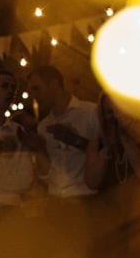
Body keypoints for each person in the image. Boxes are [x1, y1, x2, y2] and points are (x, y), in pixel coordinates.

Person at [23, 65, 100, 199]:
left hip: (87, 198)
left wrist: (75, 140)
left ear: (54, 84)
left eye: (36, 89)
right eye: (31, 91)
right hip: (56, 201)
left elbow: (106, 153)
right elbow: (48, 173)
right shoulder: (43, 126)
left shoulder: (91, 112)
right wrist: (38, 150)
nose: (34, 96)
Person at [0, 70, 36, 208]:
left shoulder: (17, 131)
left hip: (10, 205)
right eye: (4, 86)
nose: (10, 91)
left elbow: (26, 179)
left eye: (13, 88)